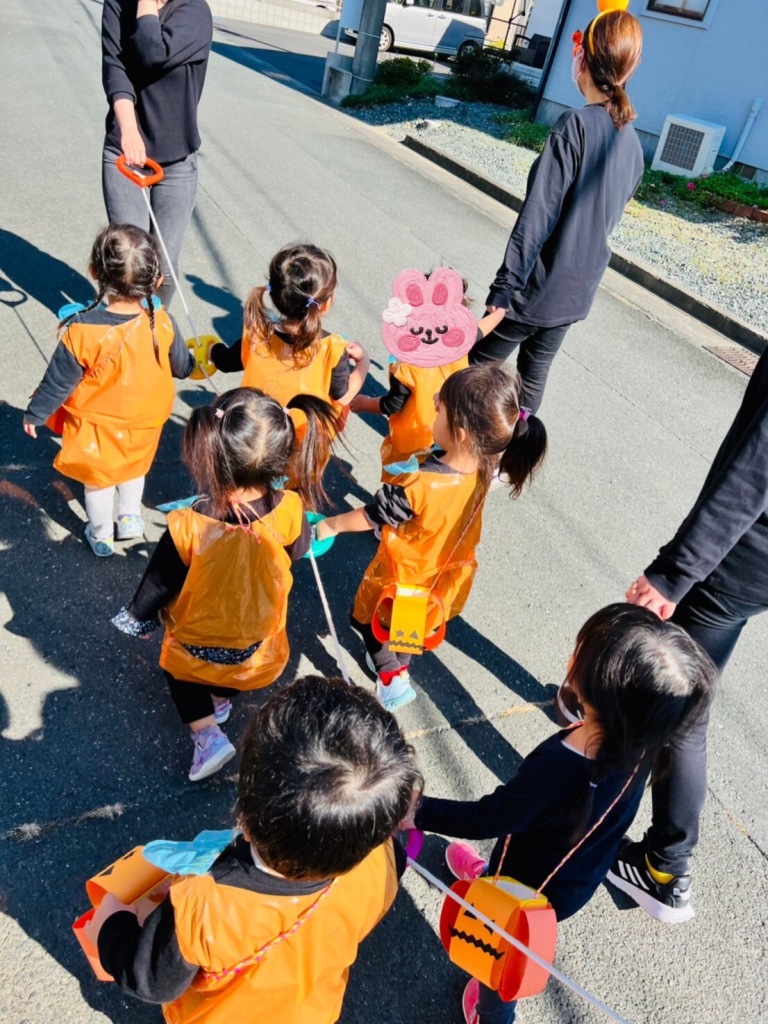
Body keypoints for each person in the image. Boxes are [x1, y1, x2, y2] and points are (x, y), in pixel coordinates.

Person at [404, 604, 716, 1024]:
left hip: (530, 891)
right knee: (508, 900)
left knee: (501, 954)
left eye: (580, 651)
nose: (572, 655)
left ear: (596, 688)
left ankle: (494, 1014)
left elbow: (491, 816)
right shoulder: (642, 738)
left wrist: (418, 811)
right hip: (576, 877)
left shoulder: (561, 767)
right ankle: (487, 878)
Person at [85, 674, 423, 1023]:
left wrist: (112, 925)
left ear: (245, 820)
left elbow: (153, 980)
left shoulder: (204, 904)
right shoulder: (381, 860)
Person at [595, 344, 768, 923]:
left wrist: (675, 572)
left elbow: (754, 474)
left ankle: (664, 867)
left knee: (681, 707)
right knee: (683, 691)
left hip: (741, 554)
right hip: (755, 570)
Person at [111, 387, 338, 781]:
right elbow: (299, 549)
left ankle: (207, 736)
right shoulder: (290, 507)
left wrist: (140, 617)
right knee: (229, 670)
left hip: (198, 635)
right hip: (255, 637)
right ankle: (219, 698)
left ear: (213, 450)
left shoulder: (192, 522)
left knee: (182, 674)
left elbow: (160, 581)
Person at [317, 365, 547, 712]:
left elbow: (373, 515)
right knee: (409, 626)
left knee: (369, 622)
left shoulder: (421, 485)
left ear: (461, 434)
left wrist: (331, 525)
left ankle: (391, 678)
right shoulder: (484, 469)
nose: (435, 400)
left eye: (441, 408)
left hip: (403, 574)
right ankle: (401, 661)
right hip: (441, 575)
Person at [471, 8, 644, 413]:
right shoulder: (633, 145)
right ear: (627, 69)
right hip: (577, 290)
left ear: (583, 57)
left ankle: (454, 444)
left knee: (475, 368)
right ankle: (515, 448)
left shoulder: (575, 125)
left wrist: (504, 288)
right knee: (532, 377)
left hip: (536, 285)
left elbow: (539, 214)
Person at [23, 224, 193, 558]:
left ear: (94, 271)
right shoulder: (162, 320)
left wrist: (36, 413)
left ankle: (101, 535)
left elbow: (58, 381)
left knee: (98, 481)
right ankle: (129, 518)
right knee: (134, 468)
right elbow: (182, 366)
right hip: (146, 421)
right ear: (156, 278)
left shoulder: (83, 331)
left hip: (98, 425)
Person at [209, 242, 369, 503]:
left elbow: (226, 361)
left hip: (258, 439)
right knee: (293, 499)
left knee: (251, 492)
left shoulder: (257, 334)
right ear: (325, 304)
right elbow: (343, 396)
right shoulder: (332, 348)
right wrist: (363, 364)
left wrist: (211, 351)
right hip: (304, 446)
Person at [101, 0, 213, 307]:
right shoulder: (117, 5)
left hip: (177, 159)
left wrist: (146, 4)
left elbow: (152, 50)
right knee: (129, 259)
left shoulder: (195, 11)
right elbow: (115, 68)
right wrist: (128, 129)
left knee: (163, 264)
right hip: (125, 150)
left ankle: (154, 323)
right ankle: (124, 325)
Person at [351, 268, 505, 479]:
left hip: (411, 439)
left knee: (400, 481)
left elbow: (393, 404)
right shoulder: (458, 343)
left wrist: (365, 403)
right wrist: (500, 312)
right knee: (430, 476)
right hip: (445, 432)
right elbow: (480, 329)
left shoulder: (407, 367)